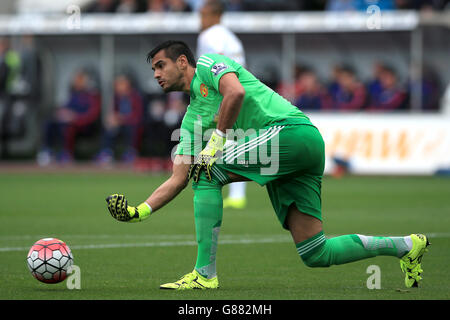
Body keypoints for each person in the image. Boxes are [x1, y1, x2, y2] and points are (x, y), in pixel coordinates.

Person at [105, 40, 430, 290]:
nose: (156, 74)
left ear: (181, 62)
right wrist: (138, 212)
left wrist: (215, 143)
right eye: (152, 71)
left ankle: (205, 275)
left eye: (160, 66)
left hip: (292, 133)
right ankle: (405, 246)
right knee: (315, 252)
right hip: (292, 152)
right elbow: (178, 178)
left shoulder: (207, 63)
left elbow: (236, 94)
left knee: (207, 172)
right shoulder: (190, 120)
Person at [197, 0, 248, 209]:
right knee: (235, 141)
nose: (200, 20)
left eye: (202, 15)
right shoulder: (231, 37)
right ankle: (237, 195)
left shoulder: (209, 35)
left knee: (215, 140)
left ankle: (212, 186)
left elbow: (218, 63)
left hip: (224, 93)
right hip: (241, 92)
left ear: (214, 15)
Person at [37, 69, 101, 165]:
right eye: (76, 80)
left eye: (80, 80)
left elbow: (92, 116)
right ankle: (47, 151)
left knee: (67, 127)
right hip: (68, 122)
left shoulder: (92, 96)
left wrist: (75, 118)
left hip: (84, 126)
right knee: (49, 123)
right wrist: (61, 113)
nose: (76, 82)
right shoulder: (74, 94)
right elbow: (66, 107)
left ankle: (66, 154)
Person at [96, 74, 143, 164]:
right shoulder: (116, 98)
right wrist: (112, 119)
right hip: (119, 125)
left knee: (132, 128)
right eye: (117, 84)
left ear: (128, 84)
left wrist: (122, 119)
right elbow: (113, 112)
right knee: (109, 127)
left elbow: (137, 116)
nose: (118, 87)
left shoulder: (135, 97)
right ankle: (107, 153)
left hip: (132, 125)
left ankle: (131, 153)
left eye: (121, 84)